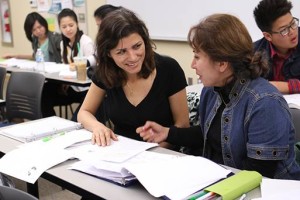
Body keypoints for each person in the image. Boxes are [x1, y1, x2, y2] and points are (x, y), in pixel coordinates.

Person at [136, 13, 300, 180]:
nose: (193, 65)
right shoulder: (212, 90)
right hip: (227, 182)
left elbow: (258, 174)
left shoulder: (264, 102)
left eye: (197, 56)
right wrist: (167, 133)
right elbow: (209, 133)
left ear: (222, 63)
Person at [77, 8, 189, 148]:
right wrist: (98, 127)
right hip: (121, 153)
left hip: (162, 155)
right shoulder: (106, 71)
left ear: (145, 41)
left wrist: (154, 152)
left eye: (137, 46)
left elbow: (183, 126)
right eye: (121, 52)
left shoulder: (169, 68)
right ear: (109, 54)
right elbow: (84, 112)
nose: (132, 57)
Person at [42, 8, 96, 119]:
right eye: (64, 27)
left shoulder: (85, 41)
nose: (68, 29)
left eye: (71, 25)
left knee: (77, 119)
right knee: (44, 95)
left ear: (77, 24)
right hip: (72, 87)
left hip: (87, 90)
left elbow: (94, 68)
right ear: (60, 28)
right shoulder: (63, 44)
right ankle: (52, 125)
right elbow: (66, 67)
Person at [253, 0, 300, 94]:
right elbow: (243, 86)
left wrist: (287, 87)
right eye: (284, 30)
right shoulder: (254, 53)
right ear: (268, 36)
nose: (292, 31)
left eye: (293, 23)